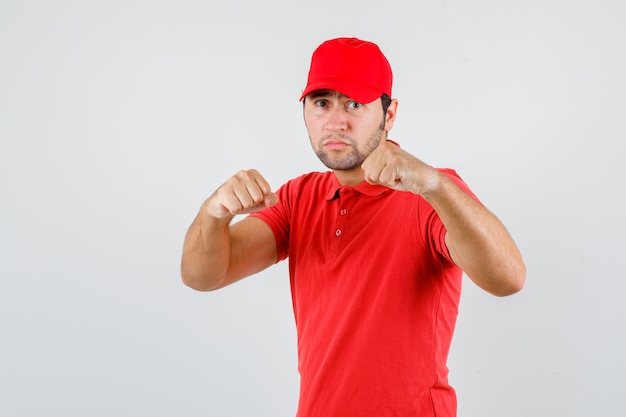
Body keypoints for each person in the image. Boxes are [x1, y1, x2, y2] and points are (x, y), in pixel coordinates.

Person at [181, 37, 526, 417]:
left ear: (389, 115)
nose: (335, 121)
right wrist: (214, 212)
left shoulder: (430, 193)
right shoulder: (298, 198)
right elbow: (204, 276)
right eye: (322, 103)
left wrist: (432, 185)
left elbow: (508, 278)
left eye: (355, 104)